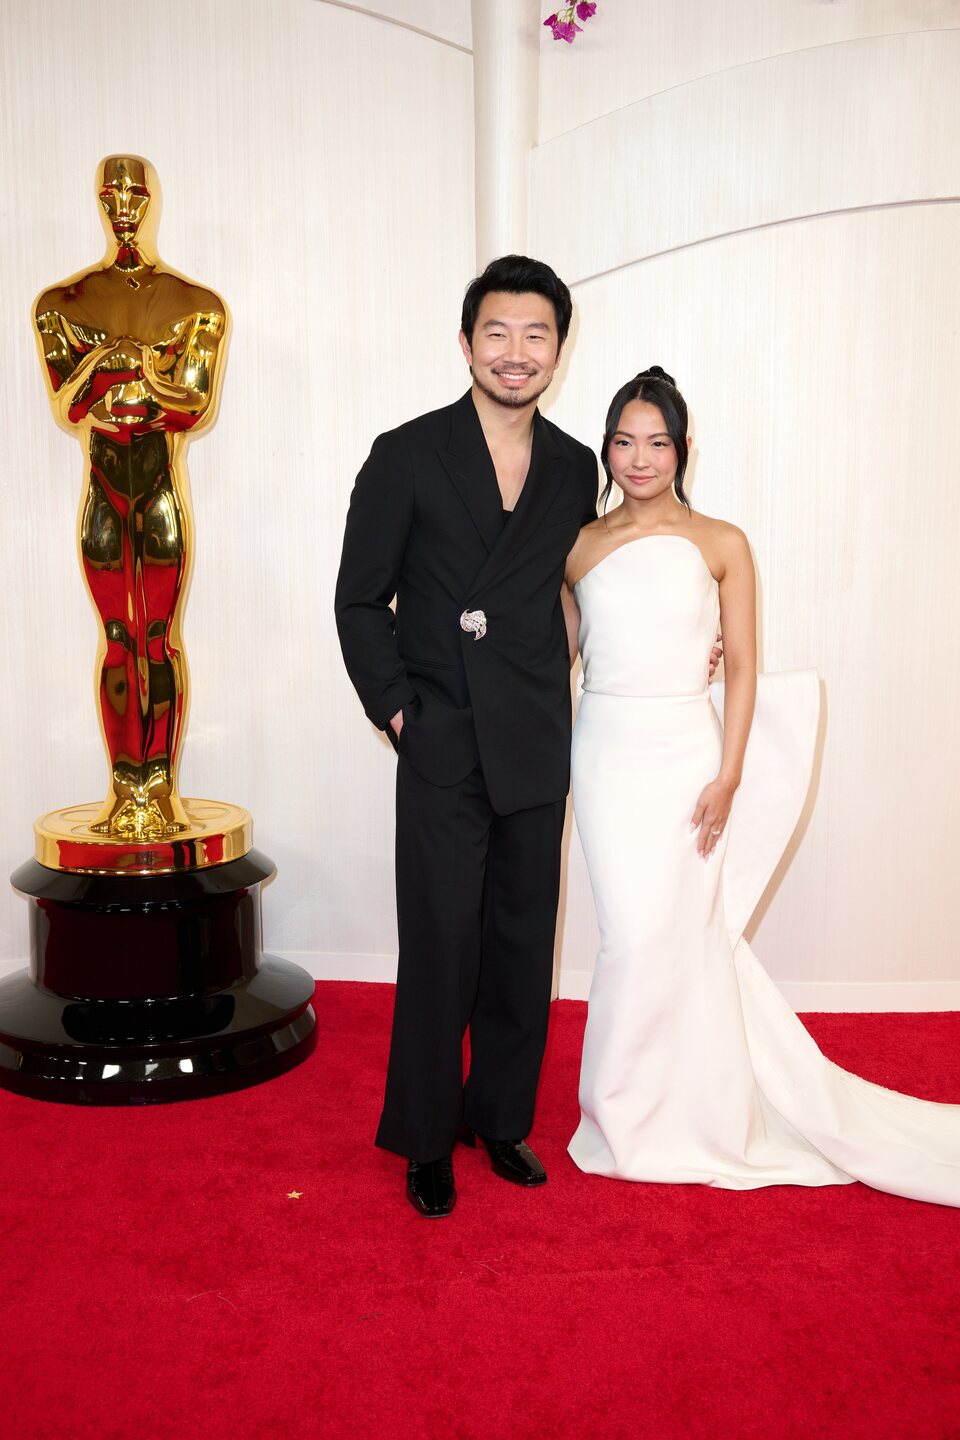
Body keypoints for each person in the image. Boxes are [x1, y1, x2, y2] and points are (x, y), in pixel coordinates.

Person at [563, 367, 960, 1205]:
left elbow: (741, 664)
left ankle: (680, 1112)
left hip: (685, 754)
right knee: (630, 937)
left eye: (657, 442)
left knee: (680, 932)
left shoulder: (722, 542)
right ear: (607, 447)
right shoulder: (580, 545)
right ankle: (624, 1110)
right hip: (603, 753)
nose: (639, 459)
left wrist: (730, 772)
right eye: (624, 442)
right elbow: (559, 657)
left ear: (683, 448)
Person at [335, 256, 599, 1216]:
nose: (516, 352)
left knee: (523, 941)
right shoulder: (406, 453)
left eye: (536, 335)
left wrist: (689, 636)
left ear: (558, 351)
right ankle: (423, 1134)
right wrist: (402, 710)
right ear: (466, 342)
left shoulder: (577, 466)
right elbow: (360, 600)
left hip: (534, 732)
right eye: (498, 332)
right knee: (442, 943)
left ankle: (500, 1121)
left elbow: (590, 580)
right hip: (443, 736)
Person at [33, 154, 229, 841]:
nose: (123, 204)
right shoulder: (62, 304)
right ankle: (125, 792)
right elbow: (68, 403)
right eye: (111, 192)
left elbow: (192, 406)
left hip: (159, 492)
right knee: (118, 638)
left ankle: (161, 792)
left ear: (153, 201)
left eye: (135, 192)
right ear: (97, 200)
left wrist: (132, 369)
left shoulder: (195, 304)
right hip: (105, 492)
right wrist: (114, 367)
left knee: (159, 638)